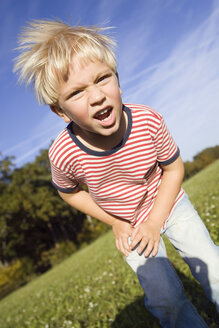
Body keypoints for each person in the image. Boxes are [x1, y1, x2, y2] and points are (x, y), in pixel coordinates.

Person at [14, 19, 219, 328]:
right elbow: (68, 192)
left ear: (118, 80)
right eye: (77, 92)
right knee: (165, 298)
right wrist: (116, 222)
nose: (96, 96)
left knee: (212, 265)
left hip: (168, 202)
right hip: (130, 224)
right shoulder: (63, 154)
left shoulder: (147, 120)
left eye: (102, 79)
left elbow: (174, 168)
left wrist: (155, 221)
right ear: (60, 110)